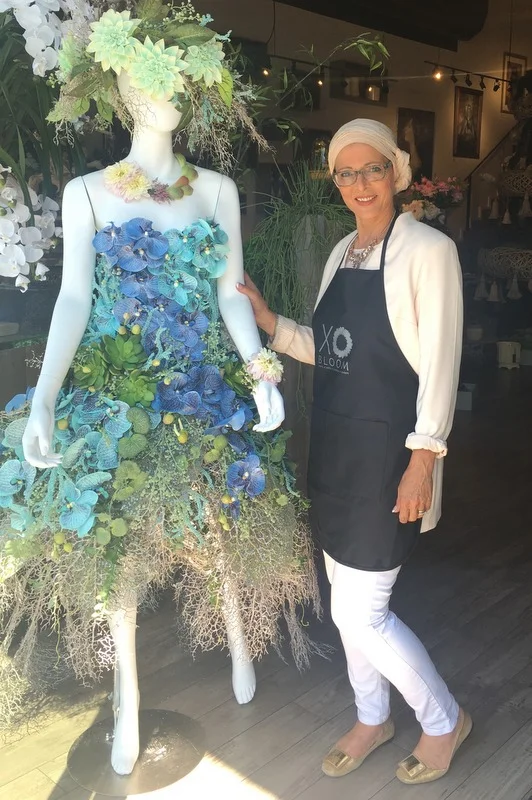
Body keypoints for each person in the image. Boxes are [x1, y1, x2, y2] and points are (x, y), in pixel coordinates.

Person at [0, 3, 320, 776]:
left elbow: (227, 293)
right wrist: (44, 396)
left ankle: (241, 644)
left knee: (219, 532)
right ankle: (129, 701)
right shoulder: (86, 193)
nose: (166, 85)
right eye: (151, 70)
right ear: (119, 85)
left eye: (179, 71)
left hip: (202, 388)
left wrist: (259, 367)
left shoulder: (216, 191)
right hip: (117, 394)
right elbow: (73, 300)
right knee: (119, 554)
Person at [238, 118, 470, 786]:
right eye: (346, 172)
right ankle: (373, 716)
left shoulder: (429, 251)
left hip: (391, 456)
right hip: (337, 451)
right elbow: (330, 349)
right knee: (346, 597)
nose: (359, 184)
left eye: (372, 169)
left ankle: (443, 719)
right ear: (335, 180)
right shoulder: (343, 251)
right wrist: (271, 325)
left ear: (396, 173)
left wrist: (424, 457)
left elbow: (441, 363)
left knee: (359, 611)